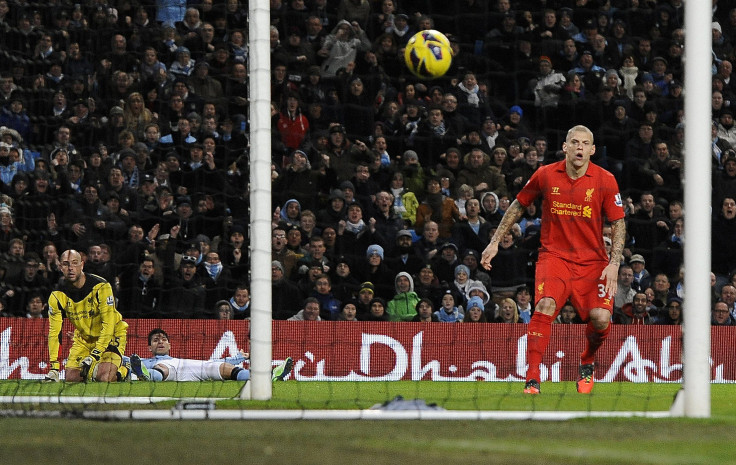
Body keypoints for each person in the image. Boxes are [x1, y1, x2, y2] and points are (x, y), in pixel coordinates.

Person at [481, 125, 626, 395]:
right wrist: (494, 242)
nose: (580, 147)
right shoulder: (546, 174)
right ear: (565, 147)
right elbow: (518, 204)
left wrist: (614, 263)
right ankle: (533, 377)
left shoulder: (605, 180)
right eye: (575, 142)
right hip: (554, 257)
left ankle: (587, 360)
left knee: (601, 318)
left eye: (585, 143)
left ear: (592, 150)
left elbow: (618, 223)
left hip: (593, 262)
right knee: (545, 305)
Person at [45, 250, 130, 383]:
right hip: (83, 339)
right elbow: (54, 332)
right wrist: (54, 367)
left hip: (111, 335)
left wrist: (96, 353)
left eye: (74, 263)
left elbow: (109, 323)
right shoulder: (56, 295)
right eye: (66, 264)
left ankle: (124, 369)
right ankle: (96, 369)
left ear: (82, 265)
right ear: (60, 267)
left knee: (104, 378)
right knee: (71, 379)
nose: (71, 268)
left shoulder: (101, 286)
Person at [130, 328, 294, 382]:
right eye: (155, 340)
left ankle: (269, 376)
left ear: (169, 345)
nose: (160, 342)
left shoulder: (177, 358)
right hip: (168, 370)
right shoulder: (143, 361)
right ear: (149, 347)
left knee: (224, 367)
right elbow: (122, 360)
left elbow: (216, 359)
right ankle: (147, 375)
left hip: (192, 367)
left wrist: (239, 358)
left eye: (163, 339)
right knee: (162, 368)